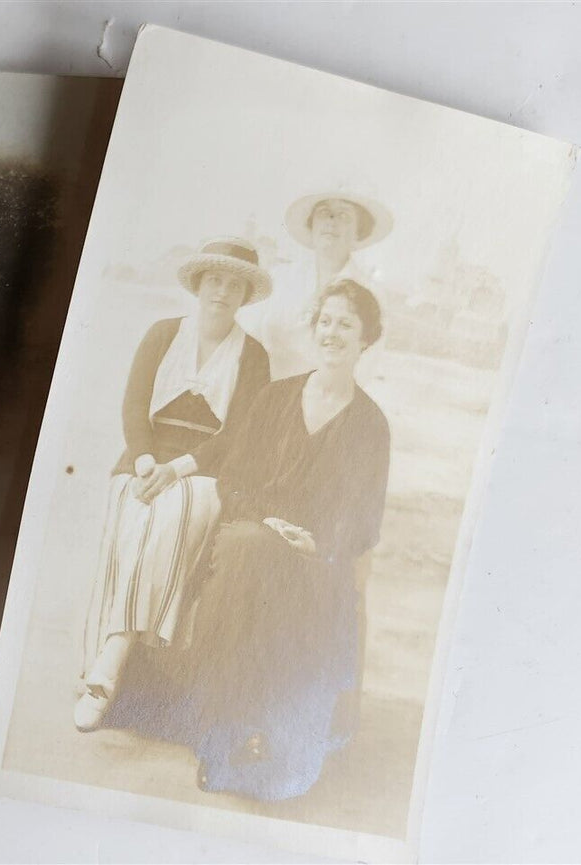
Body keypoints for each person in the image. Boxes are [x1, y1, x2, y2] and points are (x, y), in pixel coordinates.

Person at [116, 279, 391, 801]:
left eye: (346, 325)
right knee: (249, 552)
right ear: (314, 329)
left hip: (316, 557)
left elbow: (363, 519)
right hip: (251, 532)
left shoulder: (371, 426)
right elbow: (235, 476)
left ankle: (243, 731)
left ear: (366, 339)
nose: (332, 333)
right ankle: (225, 733)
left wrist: (317, 544)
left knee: (263, 565)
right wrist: (266, 522)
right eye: (325, 321)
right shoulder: (277, 397)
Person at [73, 237, 272, 732]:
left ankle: (109, 663)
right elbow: (134, 405)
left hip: (203, 470)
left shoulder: (253, 356)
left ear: (245, 296)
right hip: (144, 459)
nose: (221, 292)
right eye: (214, 280)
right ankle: (114, 654)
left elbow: (241, 436)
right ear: (199, 285)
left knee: (174, 512)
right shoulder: (163, 334)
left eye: (234, 285)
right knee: (135, 508)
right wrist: (145, 461)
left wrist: (178, 468)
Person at [238, 192, 392, 379]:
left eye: (344, 215)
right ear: (311, 225)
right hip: (262, 386)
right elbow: (245, 337)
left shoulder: (371, 295)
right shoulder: (280, 278)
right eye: (324, 212)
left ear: (359, 231)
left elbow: (363, 371)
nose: (331, 220)